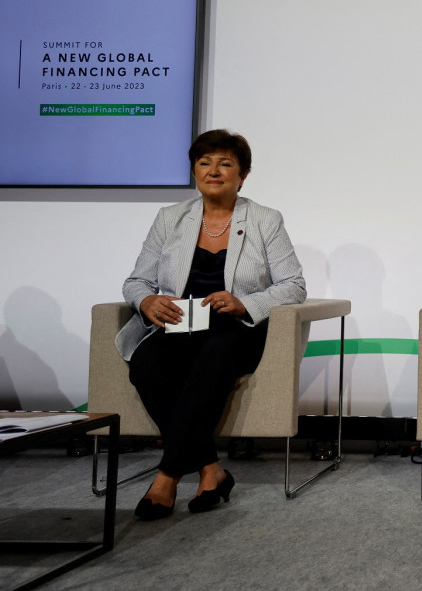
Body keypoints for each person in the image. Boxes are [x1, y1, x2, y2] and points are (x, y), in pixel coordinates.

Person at [116, 129, 306, 520]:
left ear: (243, 174)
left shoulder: (264, 220)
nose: (213, 171)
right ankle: (211, 469)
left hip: (236, 329)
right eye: (204, 163)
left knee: (215, 355)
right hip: (179, 326)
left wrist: (244, 302)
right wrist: (148, 300)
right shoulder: (171, 218)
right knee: (146, 364)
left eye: (225, 164)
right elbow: (136, 281)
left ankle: (166, 476)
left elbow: (294, 285)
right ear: (194, 171)